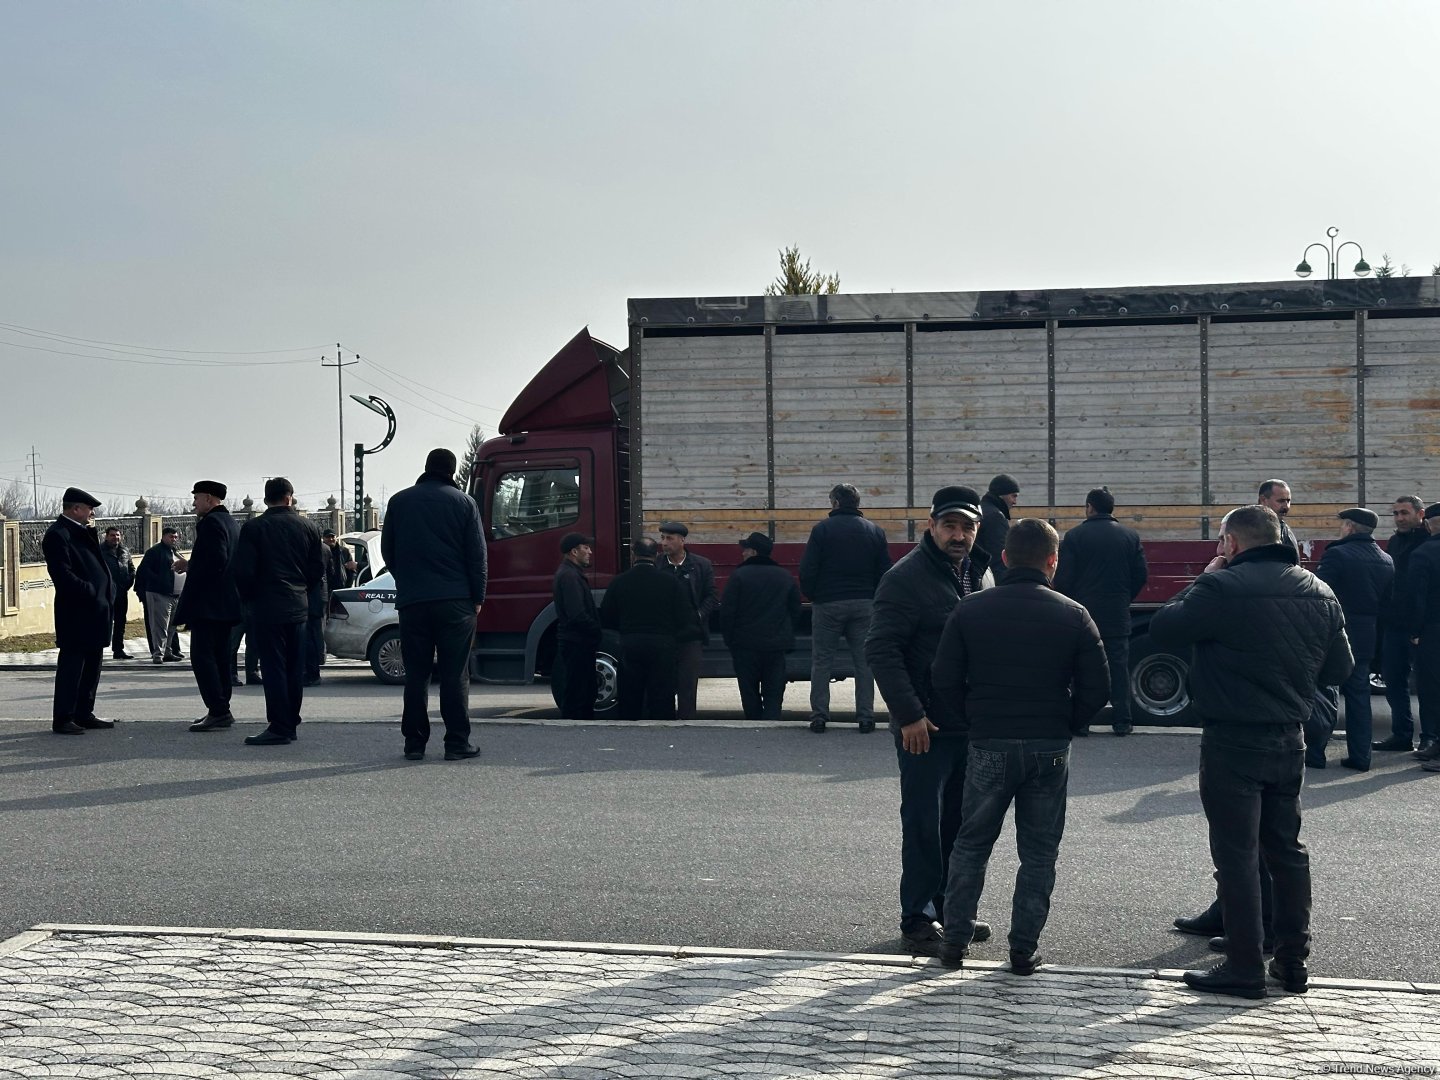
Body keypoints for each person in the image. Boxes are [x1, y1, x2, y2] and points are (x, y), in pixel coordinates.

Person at [1151, 504, 1352, 999]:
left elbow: (1163, 629)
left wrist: (1204, 577)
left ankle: (1243, 965)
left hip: (1233, 738)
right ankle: (1292, 961)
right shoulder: (1319, 589)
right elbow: (1339, 669)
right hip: (1291, 737)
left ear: (1232, 544)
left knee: (1237, 854)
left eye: (1221, 543)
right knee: (1287, 852)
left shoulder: (1220, 587)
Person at [933, 519, 1109, 973]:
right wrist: (1068, 722)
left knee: (971, 844)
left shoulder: (970, 610)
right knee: (1039, 853)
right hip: (1048, 745)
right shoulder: (1074, 614)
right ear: (1053, 562)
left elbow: (944, 678)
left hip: (988, 740)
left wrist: (972, 720)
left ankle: (953, 942)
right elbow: (1098, 687)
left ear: (1006, 558)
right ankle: (1023, 949)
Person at [864, 485, 995, 956]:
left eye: (967, 526)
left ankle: (951, 909)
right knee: (923, 822)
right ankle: (917, 917)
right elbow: (881, 650)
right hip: (925, 728)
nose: (958, 535)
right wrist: (909, 715)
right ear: (931, 526)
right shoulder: (906, 578)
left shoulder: (979, 573)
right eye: (950, 525)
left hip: (968, 726)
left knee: (959, 825)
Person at [381, 448, 488, 761]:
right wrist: (477, 597)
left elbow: (388, 550)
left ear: (426, 467)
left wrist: (407, 581)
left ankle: (414, 744)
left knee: (416, 675)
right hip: (456, 602)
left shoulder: (399, 502)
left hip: (414, 601)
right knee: (455, 675)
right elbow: (477, 556)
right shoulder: (465, 503)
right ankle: (456, 743)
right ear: (452, 471)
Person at [232, 477, 326, 747]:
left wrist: (250, 599)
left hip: (266, 606)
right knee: (294, 667)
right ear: (289, 497)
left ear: (266, 500)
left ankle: (279, 725)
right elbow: (316, 569)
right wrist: (301, 590)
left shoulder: (254, 527)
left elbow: (244, 571)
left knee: (273, 667)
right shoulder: (308, 527)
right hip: (298, 606)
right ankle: (291, 721)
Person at [1052, 487, 1148, 736]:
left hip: (1084, 614)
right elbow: (1141, 575)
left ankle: (1082, 723)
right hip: (1117, 613)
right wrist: (1124, 597)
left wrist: (1072, 601)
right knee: (1118, 667)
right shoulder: (1130, 536)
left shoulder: (1075, 536)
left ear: (1089, 507)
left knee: (1083, 667)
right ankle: (1123, 721)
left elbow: (1064, 578)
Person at [799, 483, 891, 734]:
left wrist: (815, 595)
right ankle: (865, 716)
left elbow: (808, 569)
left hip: (828, 603)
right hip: (864, 604)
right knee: (864, 663)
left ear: (836, 503)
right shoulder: (874, 531)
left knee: (821, 661)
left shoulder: (822, 530)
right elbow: (885, 571)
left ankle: (819, 716)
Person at [1313, 508, 1393, 771]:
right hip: (1367, 636)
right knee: (1359, 697)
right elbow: (1387, 606)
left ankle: (1315, 753)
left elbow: (1321, 596)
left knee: (1325, 693)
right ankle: (1361, 757)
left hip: (1336, 634)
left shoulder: (1337, 554)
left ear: (1349, 526)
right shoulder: (1385, 559)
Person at [42, 487, 116, 735]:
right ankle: (64, 717)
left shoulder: (83, 532)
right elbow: (62, 574)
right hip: (76, 612)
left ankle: (84, 713)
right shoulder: (59, 534)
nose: (91, 513)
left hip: (95, 611)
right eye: (88, 509)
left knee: (93, 664)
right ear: (75, 509)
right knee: (72, 666)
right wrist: (91, 590)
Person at [600, 537, 696, 721]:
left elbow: (607, 616)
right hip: (663, 644)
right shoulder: (670, 582)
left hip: (631, 642)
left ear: (633, 554)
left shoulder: (619, 582)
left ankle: (631, 728)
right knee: (662, 694)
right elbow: (685, 617)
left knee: (630, 693)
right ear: (657, 555)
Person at [172, 481, 243, 732]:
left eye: (197, 498)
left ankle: (218, 710)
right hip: (226, 604)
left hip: (209, 605)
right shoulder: (230, 523)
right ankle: (222, 708)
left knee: (203, 658)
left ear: (210, 499)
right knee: (221, 658)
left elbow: (216, 561)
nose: (194, 504)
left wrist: (193, 569)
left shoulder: (212, 523)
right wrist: (191, 565)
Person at [721, 531, 801, 721]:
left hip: (744, 644)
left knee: (748, 689)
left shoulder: (739, 576)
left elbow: (727, 612)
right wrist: (786, 633)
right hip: (775, 645)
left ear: (754, 552)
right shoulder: (784, 576)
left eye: (745, 549)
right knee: (774, 689)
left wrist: (729, 639)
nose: (742, 553)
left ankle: (753, 721)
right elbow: (794, 609)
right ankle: (772, 720)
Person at [1375, 495, 1429, 754]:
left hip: (1423, 625)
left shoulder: (1428, 540)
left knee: (1428, 684)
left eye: (1404, 513)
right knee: (1394, 681)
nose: (1399, 518)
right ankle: (1402, 735)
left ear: (1420, 514)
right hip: (1395, 623)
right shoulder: (1395, 541)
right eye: (1396, 513)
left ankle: (1429, 737)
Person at [657, 521, 717, 721]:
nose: (664, 543)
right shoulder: (657, 564)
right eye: (662, 538)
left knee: (688, 682)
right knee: (663, 680)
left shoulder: (701, 565)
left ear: (682, 540)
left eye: (669, 538)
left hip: (691, 634)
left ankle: (687, 721)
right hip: (664, 633)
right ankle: (663, 719)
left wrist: (698, 616)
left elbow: (711, 596)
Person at [1405, 502, 1440, 767]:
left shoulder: (1424, 553)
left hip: (1433, 631)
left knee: (1430, 688)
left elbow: (1416, 598)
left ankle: (1433, 742)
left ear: (1428, 524)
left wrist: (1415, 631)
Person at [553, 532, 601, 720]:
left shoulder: (571, 574)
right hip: (577, 643)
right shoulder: (569, 576)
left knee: (582, 689)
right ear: (574, 551)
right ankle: (575, 731)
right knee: (578, 693)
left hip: (577, 642)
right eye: (586, 548)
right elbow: (577, 614)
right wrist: (596, 630)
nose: (590, 551)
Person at [134, 527, 184, 663]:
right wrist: (160, 580)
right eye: (170, 537)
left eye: (175, 537)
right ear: (163, 537)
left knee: (172, 626)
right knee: (160, 626)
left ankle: (168, 651)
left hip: (175, 594)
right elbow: (143, 571)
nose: (173, 539)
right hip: (159, 593)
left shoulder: (175, 552)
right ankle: (158, 654)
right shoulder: (154, 552)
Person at [99, 525, 136, 659]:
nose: (116, 537)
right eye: (112, 535)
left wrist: (128, 582)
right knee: (104, 622)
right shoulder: (100, 551)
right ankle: (99, 649)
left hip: (121, 592)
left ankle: (118, 650)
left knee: (120, 622)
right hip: (106, 594)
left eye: (118, 535)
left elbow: (131, 568)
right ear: (106, 536)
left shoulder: (124, 551)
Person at [976, 474, 1019, 585]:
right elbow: (1000, 558)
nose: (1015, 502)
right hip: (989, 582)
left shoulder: (981, 510)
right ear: (1002, 495)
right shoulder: (995, 517)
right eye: (1013, 496)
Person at [303, 542, 331, 687]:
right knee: (316, 634)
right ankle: (316, 665)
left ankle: (311, 673)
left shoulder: (310, 551)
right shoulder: (325, 549)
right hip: (319, 599)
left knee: (308, 638)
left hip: (309, 601)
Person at [1258, 479, 1297, 552]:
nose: (1286, 506)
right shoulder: (1248, 530)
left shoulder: (1285, 530)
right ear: (1263, 500)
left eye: (1288, 501)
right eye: (1281, 501)